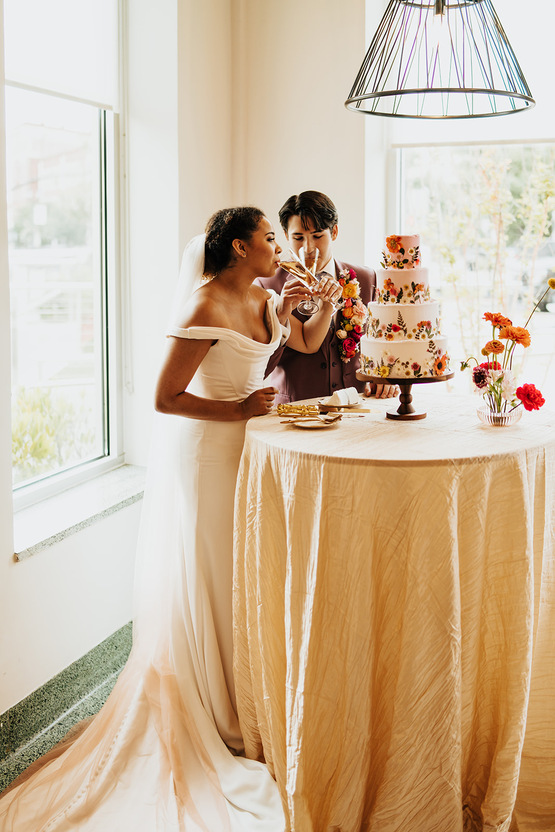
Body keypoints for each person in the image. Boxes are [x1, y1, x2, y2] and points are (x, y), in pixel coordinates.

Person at [0, 206, 329, 831]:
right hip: (208, 455)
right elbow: (164, 397)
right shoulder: (202, 308)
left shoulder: (262, 295)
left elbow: (278, 344)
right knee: (211, 574)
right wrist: (237, 412)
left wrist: (291, 311)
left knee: (243, 574)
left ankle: (249, 701)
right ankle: (215, 709)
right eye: (267, 236)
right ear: (239, 247)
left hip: (248, 454)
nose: (276, 244)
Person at [256, 190, 399, 403]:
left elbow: (385, 341)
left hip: (356, 405)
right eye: (298, 238)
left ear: (334, 232)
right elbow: (261, 364)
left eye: (317, 235)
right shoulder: (267, 285)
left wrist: (385, 375)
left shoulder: (366, 278)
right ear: (286, 236)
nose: (309, 247)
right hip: (295, 410)